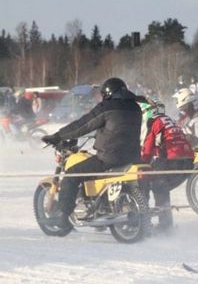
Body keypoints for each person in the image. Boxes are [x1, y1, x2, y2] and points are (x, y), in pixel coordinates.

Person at [41, 77, 142, 228]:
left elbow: (82, 125)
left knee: (71, 174)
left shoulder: (107, 107)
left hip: (109, 157)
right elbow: (119, 129)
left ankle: (62, 218)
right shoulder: (135, 108)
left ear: (107, 93)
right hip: (133, 157)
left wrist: (58, 136)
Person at [140, 97, 194, 231]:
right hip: (188, 160)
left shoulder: (153, 121)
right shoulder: (169, 120)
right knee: (160, 185)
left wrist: (142, 164)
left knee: (157, 185)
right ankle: (165, 222)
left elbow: (148, 147)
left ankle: (163, 225)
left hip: (173, 159)